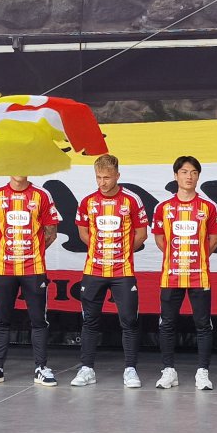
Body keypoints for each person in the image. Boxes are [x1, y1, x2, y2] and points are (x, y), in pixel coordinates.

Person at [72, 154, 148, 388]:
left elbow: (141, 234)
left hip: (122, 271)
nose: (102, 182)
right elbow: (83, 232)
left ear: (117, 176)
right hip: (94, 270)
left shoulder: (131, 200)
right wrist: (100, 250)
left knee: (128, 321)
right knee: (90, 321)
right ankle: (87, 369)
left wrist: (121, 252)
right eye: (98, 177)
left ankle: (130, 369)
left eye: (106, 177)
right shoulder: (88, 201)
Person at [0, 174, 61, 387]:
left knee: (38, 319)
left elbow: (51, 233)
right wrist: (12, 251)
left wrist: (32, 251)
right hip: (4, 268)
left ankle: (41, 368)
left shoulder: (41, 195)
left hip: (34, 268)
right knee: (1, 319)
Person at [152, 155, 217, 391]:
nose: (188, 176)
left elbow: (213, 240)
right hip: (170, 275)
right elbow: (160, 240)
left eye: (193, 172)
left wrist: (195, 258)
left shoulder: (208, 207)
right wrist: (177, 258)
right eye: (184, 172)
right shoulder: (163, 208)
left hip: (199, 275)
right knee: (167, 324)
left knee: (203, 324)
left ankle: (203, 372)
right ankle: (168, 371)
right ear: (175, 176)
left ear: (198, 176)